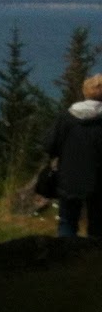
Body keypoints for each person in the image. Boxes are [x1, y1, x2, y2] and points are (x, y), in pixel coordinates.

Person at [45, 72, 102, 238]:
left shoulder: (66, 118)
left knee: (67, 223)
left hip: (69, 178)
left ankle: (65, 260)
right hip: (99, 181)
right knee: (98, 225)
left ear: (85, 92)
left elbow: (49, 145)